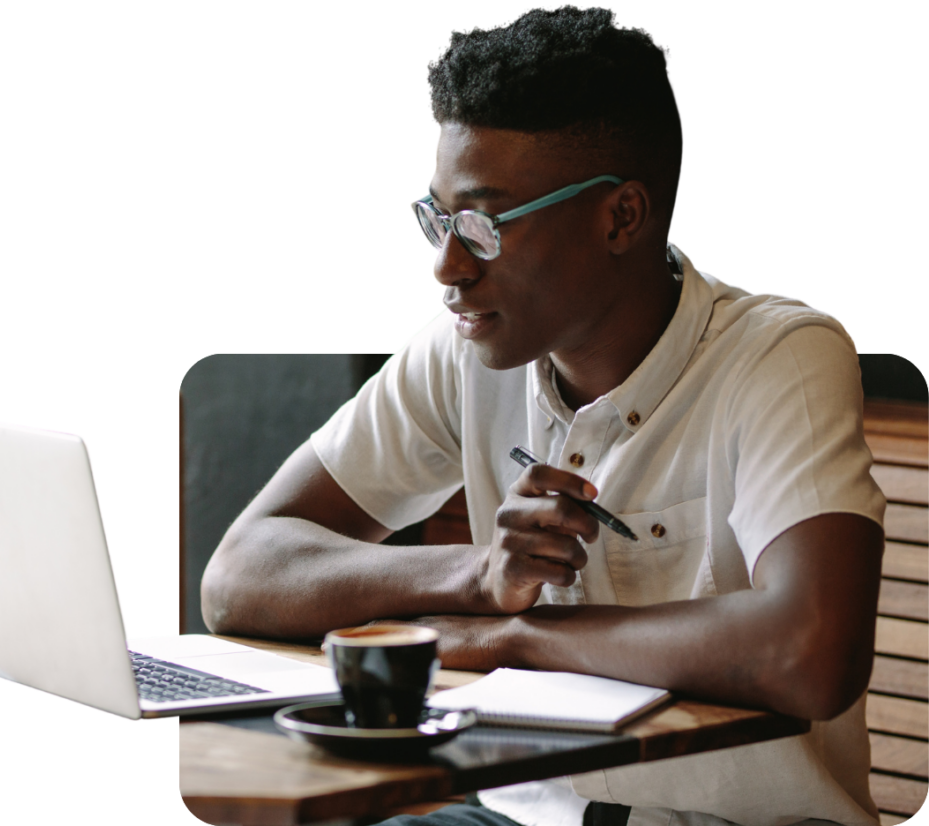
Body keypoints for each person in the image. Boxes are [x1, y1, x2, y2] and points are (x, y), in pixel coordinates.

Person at [201, 7, 886, 826]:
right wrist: (477, 576)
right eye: (439, 219)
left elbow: (806, 651)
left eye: (485, 225)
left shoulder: (778, 358)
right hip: (517, 814)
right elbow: (240, 576)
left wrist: (516, 638)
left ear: (620, 218)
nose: (448, 267)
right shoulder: (463, 349)